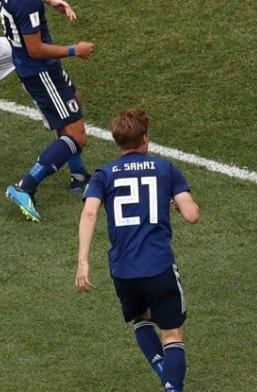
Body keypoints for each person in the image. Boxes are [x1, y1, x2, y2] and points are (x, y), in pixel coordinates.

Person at [76, 108, 201, 391]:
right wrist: (179, 204)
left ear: (118, 141)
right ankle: (172, 385)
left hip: (122, 268)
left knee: (140, 318)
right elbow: (192, 215)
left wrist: (83, 261)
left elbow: (89, 214)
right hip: (158, 265)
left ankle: (165, 375)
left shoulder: (103, 175)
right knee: (172, 335)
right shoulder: (165, 168)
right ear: (145, 138)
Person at [0, 0, 95, 221]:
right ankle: (25, 186)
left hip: (35, 68)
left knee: (74, 99)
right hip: (40, 70)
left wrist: (50, 0)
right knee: (77, 136)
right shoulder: (25, 3)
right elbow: (35, 49)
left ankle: (79, 176)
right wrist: (75, 50)